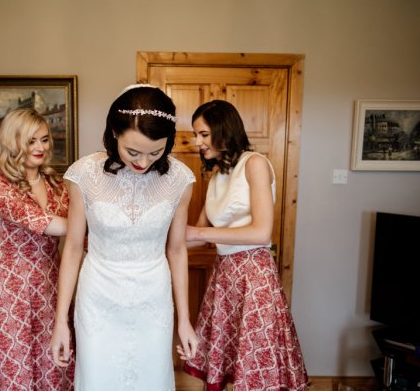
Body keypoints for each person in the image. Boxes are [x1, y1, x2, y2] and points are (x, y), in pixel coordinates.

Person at [50, 84, 199, 390]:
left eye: (155, 152)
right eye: (133, 152)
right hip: (98, 297)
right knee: (98, 378)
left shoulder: (180, 180)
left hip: (152, 297)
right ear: (114, 133)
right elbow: (74, 248)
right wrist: (60, 321)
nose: (143, 163)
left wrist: (185, 320)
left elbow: (177, 250)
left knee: (151, 378)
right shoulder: (84, 175)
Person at [182, 100, 308, 390]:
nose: (196, 141)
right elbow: (196, 234)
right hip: (225, 276)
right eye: (196, 134)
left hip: (254, 276)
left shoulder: (255, 164)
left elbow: (261, 232)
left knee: (254, 366)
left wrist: (199, 233)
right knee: (227, 360)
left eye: (203, 134)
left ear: (222, 130)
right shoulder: (216, 175)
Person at [0, 108, 74, 390]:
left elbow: (75, 236)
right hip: (10, 288)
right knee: (14, 363)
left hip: (51, 285)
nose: (40, 148)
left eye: (44, 140)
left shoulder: (57, 185)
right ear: (13, 141)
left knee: (52, 363)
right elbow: (45, 224)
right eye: (31, 140)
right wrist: (105, 227)